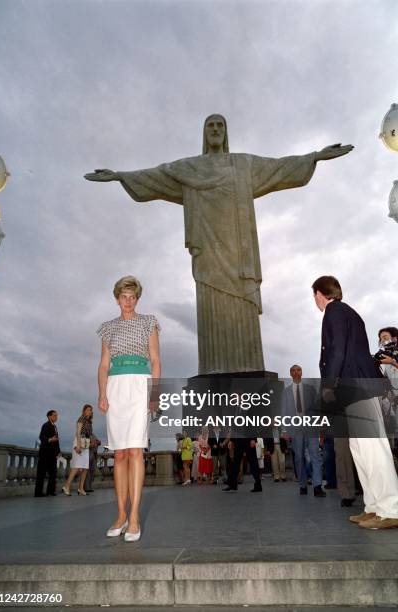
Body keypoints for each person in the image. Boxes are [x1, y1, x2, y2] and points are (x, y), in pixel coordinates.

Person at [85, 116, 353, 375]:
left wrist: (315, 156)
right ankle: (214, 367)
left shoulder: (242, 164)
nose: (215, 129)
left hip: (239, 253)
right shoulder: (190, 168)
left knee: (242, 307)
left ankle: (248, 365)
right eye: (210, 125)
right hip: (208, 253)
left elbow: (279, 167)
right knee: (211, 307)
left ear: (225, 132)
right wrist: (120, 176)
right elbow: (157, 175)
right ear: (204, 133)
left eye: (219, 125)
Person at [312, 275, 398, 528]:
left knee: (372, 449)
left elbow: (336, 349)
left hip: (355, 387)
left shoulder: (334, 310)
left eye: (314, 296)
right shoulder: (346, 312)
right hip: (353, 389)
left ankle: (391, 508)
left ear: (319, 293)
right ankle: (373, 507)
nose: (314, 301)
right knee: (360, 451)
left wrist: (328, 385)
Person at [97, 275, 160, 542]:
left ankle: (134, 516)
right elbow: (103, 365)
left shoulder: (149, 323)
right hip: (115, 387)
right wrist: (102, 393)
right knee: (120, 453)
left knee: (136, 449)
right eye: (124, 296)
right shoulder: (107, 328)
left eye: (133, 297)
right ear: (117, 298)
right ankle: (121, 514)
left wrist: (154, 394)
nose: (128, 301)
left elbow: (156, 361)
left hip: (139, 386)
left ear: (137, 298)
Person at [281, 365, 326, 497]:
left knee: (315, 456)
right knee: (299, 457)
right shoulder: (286, 392)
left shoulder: (310, 389)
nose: (296, 372)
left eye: (298, 370)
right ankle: (302, 484)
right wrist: (284, 430)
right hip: (295, 428)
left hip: (311, 426)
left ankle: (317, 486)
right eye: (293, 370)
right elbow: (284, 411)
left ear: (302, 372)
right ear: (290, 374)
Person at [62, 404, 94, 496]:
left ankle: (80, 488)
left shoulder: (89, 422)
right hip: (79, 442)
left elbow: (89, 434)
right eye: (88, 410)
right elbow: (78, 432)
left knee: (85, 467)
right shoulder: (81, 419)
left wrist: (90, 442)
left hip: (86, 444)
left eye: (91, 410)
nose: (89, 411)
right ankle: (66, 486)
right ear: (84, 411)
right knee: (76, 466)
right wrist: (78, 445)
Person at [34, 410, 61, 497]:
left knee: (53, 473)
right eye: (54, 415)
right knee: (41, 474)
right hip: (45, 453)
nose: (56, 417)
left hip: (52, 454)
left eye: (56, 416)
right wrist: (50, 439)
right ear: (49, 416)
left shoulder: (55, 426)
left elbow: (56, 441)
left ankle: (51, 491)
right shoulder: (45, 425)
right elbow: (41, 437)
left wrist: (58, 452)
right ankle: (38, 493)